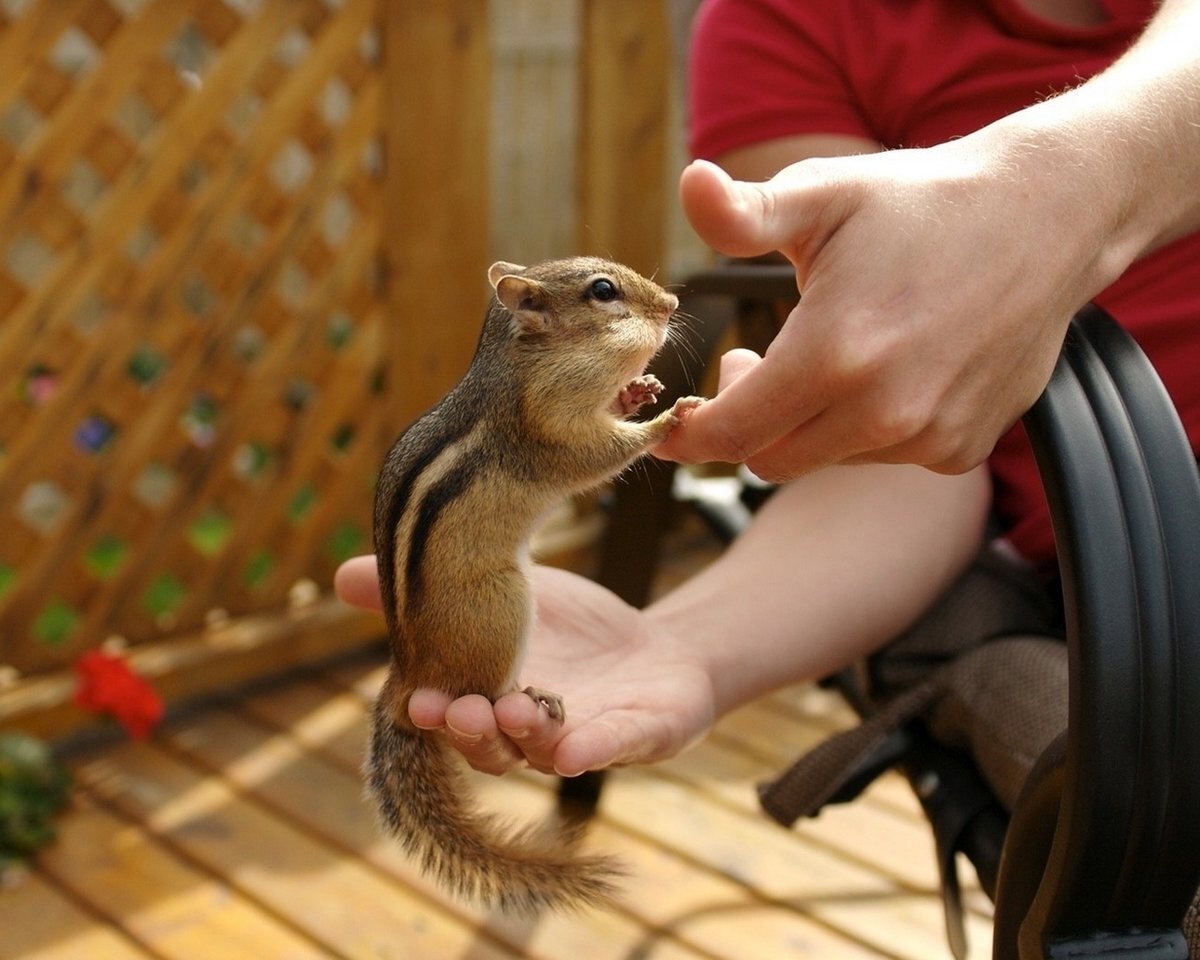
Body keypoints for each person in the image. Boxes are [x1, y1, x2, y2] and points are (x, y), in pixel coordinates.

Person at [336, 0, 1200, 780]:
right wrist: (687, 641)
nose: (661, 309)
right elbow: (892, 425)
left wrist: (1059, 190)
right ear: (533, 323)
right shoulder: (783, 25)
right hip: (1115, 561)